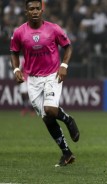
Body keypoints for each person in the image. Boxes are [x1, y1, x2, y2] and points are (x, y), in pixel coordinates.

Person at [10, 0, 80, 167]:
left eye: (37, 8)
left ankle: (68, 119)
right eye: (31, 9)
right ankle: (67, 153)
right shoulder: (19, 32)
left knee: (50, 110)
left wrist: (64, 65)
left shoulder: (53, 29)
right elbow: (14, 52)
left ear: (42, 10)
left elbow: (68, 47)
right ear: (26, 11)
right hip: (32, 79)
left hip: (52, 75)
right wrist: (16, 69)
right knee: (47, 119)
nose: (35, 11)